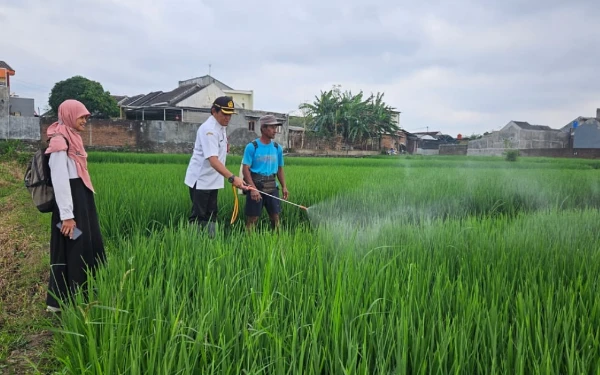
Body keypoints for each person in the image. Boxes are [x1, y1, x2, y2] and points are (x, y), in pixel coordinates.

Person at [45, 99, 106, 313]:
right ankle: (63, 302)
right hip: (70, 207)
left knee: (85, 245)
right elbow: (60, 181)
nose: (84, 121)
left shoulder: (73, 139)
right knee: (72, 247)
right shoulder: (60, 142)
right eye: (81, 116)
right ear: (70, 115)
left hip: (81, 202)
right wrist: (67, 217)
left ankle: (84, 295)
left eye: (86, 117)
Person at [184, 96, 247, 237]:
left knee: (212, 214)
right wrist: (232, 178)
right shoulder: (209, 129)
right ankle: (193, 244)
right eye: (225, 113)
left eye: (230, 114)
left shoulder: (221, 127)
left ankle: (210, 241)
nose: (228, 117)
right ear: (214, 111)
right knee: (199, 216)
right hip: (201, 180)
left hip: (212, 180)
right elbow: (213, 160)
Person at [242, 114, 288, 232]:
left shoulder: (277, 148)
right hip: (256, 185)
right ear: (263, 128)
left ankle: (278, 243)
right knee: (253, 218)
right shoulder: (252, 147)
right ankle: (248, 244)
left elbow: (280, 169)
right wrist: (252, 189)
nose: (275, 131)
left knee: (275, 217)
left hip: (272, 186)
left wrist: (284, 187)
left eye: (275, 127)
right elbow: (245, 169)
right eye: (272, 127)